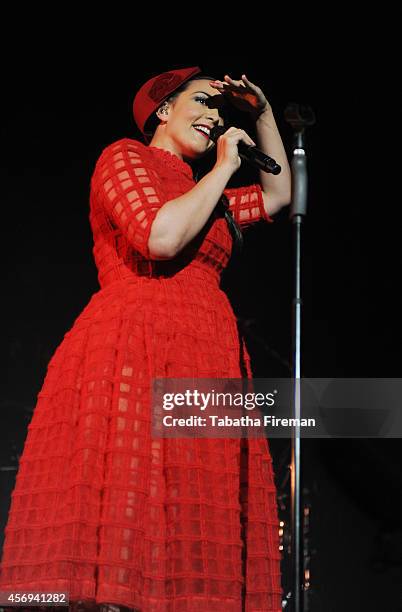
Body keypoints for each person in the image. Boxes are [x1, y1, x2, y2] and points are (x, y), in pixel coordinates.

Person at [0, 66, 291, 611]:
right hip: (136, 342)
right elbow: (159, 237)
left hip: (206, 349)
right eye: (202, 102)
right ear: (163, 109)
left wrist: (264, 111)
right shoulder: (124, 157)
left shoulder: (214, 195)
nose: (213, 116)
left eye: (221, 111)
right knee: (131, 504)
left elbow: (278, 197)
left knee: (192, 510)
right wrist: (225, 166)